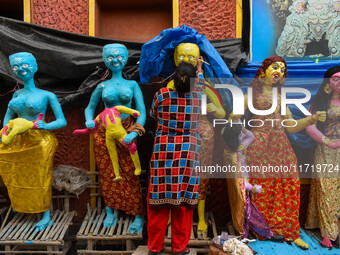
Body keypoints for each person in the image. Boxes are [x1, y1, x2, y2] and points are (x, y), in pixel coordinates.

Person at [242, 56, 326, 250]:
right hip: (259, 145)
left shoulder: (281, 98)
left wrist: (310, 119)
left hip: (281, 146)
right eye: (275, 66)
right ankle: (263, 229)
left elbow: (291, 127)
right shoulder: (251, 94)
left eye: (282, 68)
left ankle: (290, 230)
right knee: (262, 188)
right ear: (264, 71)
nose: (278, 70)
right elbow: (235, 117)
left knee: (289, 185)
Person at [0, 52, 67, 231]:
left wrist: (44, 126)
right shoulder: (15, 96)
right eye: (16, 67)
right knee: (16, 174)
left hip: (40, 140)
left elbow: (62, 121)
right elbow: (7, 118)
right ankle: (23, 206)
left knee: (41, 177)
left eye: (26, 65)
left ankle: (45, 213)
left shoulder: (47, 95)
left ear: (35, 67)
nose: (22, 69)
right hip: (18, 140)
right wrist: (6, 129)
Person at [84, 44, 146, 233]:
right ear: (105, 60)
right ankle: (110, 210)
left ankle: (137, 214)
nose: (115, 60)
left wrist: (135, 132)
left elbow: (141, 112)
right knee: (107, 171)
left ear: (126, 59)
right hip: (104, 131)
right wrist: (88, 120)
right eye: (110, 57)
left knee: (130, 171)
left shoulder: (132, 85)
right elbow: (89, 107)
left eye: (119, 56)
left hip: (126, 130)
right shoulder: (102, 86)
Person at [168, 42, 226, 235]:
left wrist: (215, 110)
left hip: (203, 133)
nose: (187, 61)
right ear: (176, 59)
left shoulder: (204, 85)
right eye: (183, 57)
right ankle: (173, 214)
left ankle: (200, 216)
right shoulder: (171, 85)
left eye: (192, 57)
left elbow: (222, 112)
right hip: (179, 132)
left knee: (201, 176)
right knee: (176, 173)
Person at [148, 61, 202, 255]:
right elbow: (198, 86)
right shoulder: (199, 97)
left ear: (174, 75)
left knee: (159, 200)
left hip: (164, 151)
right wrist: (200, 72)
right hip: (189, 151)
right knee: (184, 203)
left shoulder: (161, 95)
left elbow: (153, 114)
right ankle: (179, 247)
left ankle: (155, 247)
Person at [305, 66, 340, 248]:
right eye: (335, 78)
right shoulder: (320, 102)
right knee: (327, 191)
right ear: (328, 83)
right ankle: (328, 234)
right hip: (327, 151)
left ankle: (331, 228)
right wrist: (329, 142)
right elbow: (310, 126)